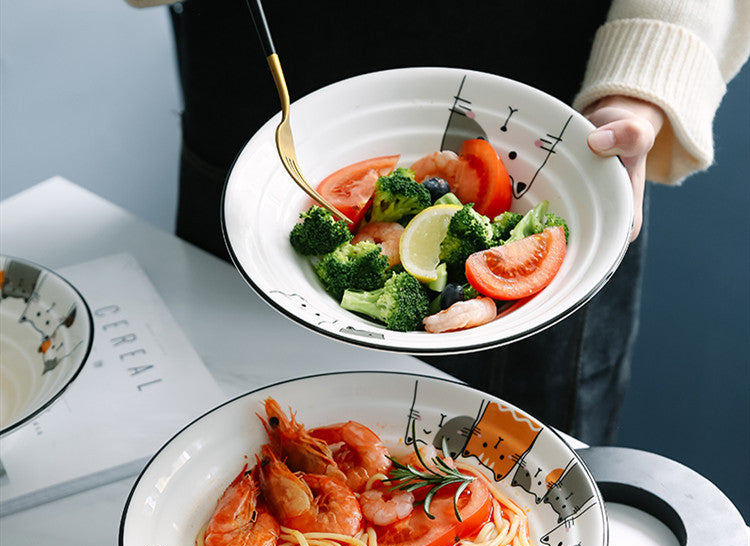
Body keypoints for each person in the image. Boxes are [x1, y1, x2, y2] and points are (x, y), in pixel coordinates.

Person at [129, 0, 749, 445]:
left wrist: (642, 82)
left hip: (550, 127)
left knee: (518, 499)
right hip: (265, 129)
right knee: (226, 433)